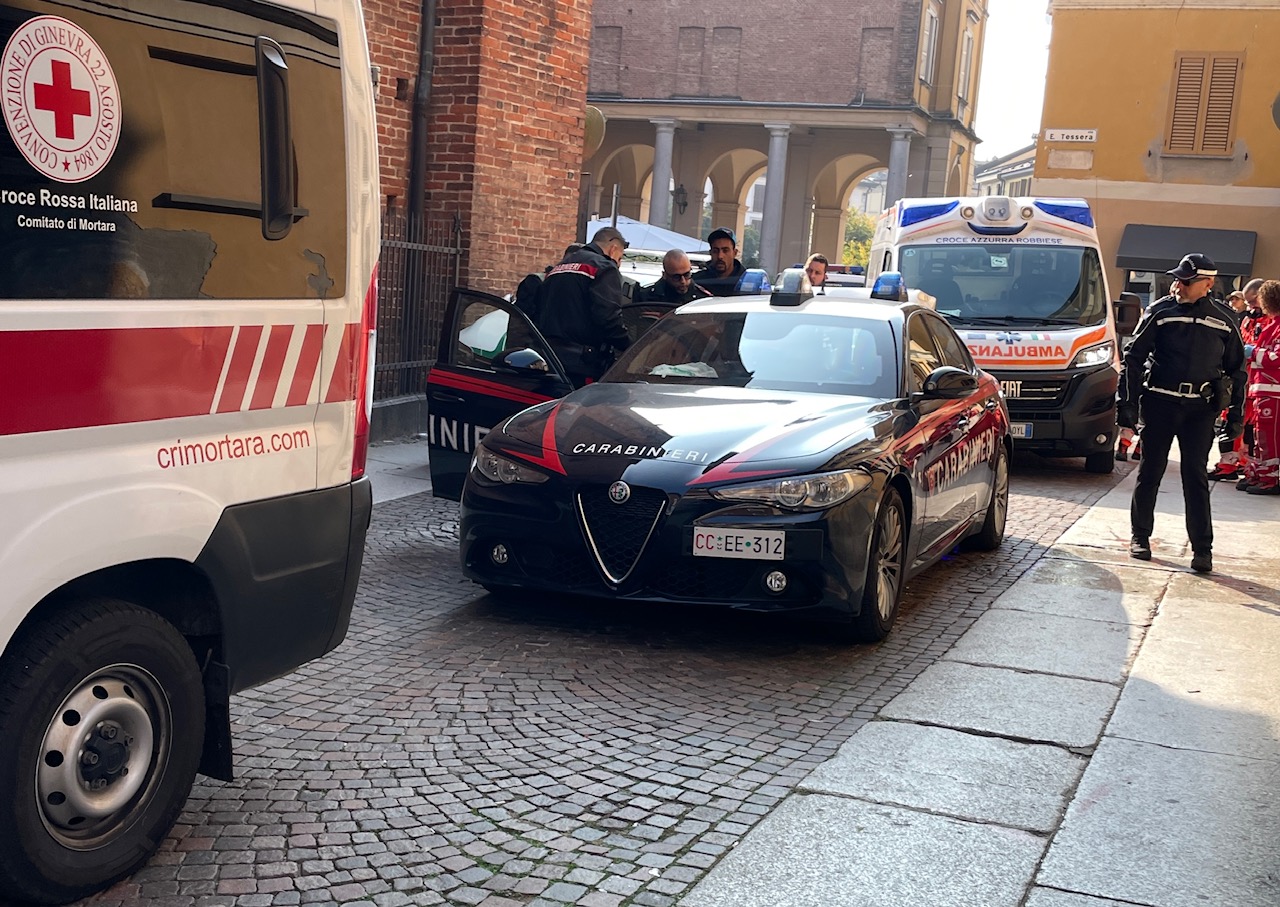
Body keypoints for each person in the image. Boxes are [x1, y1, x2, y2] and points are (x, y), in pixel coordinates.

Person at [1117, 253, 1246, 573]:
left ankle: (1203, 549)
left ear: (1208, 284)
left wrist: (1235, 417)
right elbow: (1133, 358)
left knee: (1195, 476)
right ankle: (1140, 536)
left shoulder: (1225, 318)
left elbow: (1237, 370)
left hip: (1199, 410)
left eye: (1186, 281)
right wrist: (1127, 408)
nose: (1178, 285)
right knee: (1150, 472)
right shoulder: (1160, 311)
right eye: (1177, 279)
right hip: (1160, 403)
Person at [538, 226, 632, 387]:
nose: (619, 264)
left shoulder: (559, 267)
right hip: (583, 364)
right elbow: (608, 317)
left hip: (550, 358)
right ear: (613, 249)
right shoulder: (604, 267)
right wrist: (629, 347)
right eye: (620, 258)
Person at [1241, 279, 1280, 494]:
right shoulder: (1272, 325)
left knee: (1270, 439)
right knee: (1260, 437)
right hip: (1263, 390)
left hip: (1273, 392)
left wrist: (1252, 352)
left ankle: (1270, 479)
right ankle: (1261, 475)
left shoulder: (1277, 327)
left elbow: (1276, 358)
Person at [636, 249, 711, 304]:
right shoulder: (646, 298)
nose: (683, 281)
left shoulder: (703, 299)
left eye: (686, 275)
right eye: (676, 277)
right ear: (665, 275)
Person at [692, 227, 746, 296]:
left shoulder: (746, 281)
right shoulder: (697, 281)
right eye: (715, 251)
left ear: (734, 253)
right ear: (710, 253)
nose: (720, 256)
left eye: (725, 251)